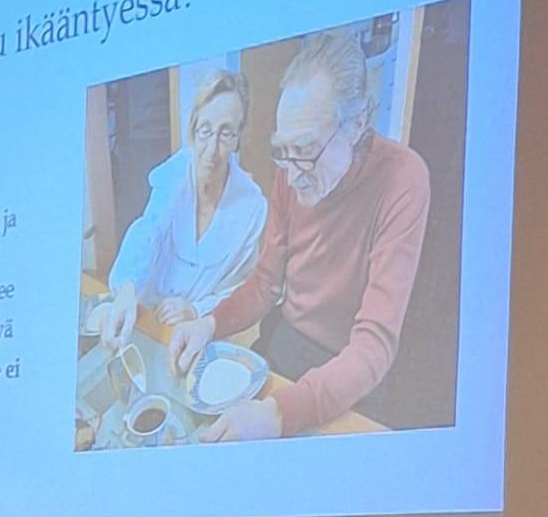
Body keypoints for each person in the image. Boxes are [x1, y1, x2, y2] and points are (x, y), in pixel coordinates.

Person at [170, 29, 430, 440]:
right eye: (282, 151)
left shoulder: (403, 178)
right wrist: (209, 324)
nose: (290, 176)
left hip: (352, 368)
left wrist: (278, 415)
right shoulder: (291, 169)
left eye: (306, 151)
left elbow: (374, 345)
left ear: (357, 123)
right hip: (287, 340)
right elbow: (264, 284)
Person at [95, 68, 266, 350]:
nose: (211, 150)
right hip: (146, 315)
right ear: (193, 129)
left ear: (239, 137)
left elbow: (241, 287)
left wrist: (195, 310)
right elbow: (147, 232)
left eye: (225, 133)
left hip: (198, 329)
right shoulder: (173, 174)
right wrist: (127, 289)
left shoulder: (252, 206)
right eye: (205, 131)